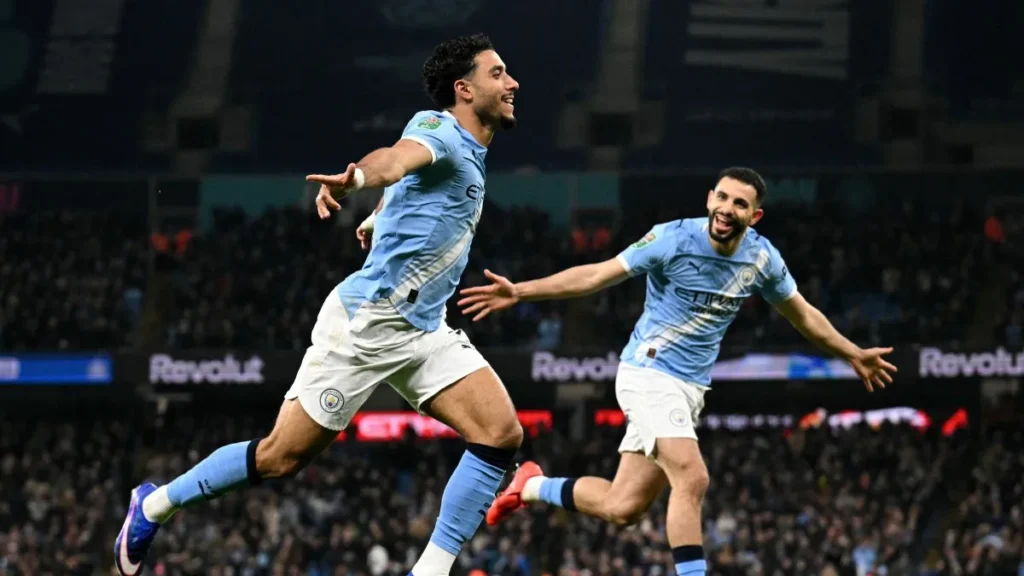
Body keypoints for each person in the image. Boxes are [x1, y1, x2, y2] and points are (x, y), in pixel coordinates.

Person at [115, 33, 521, 576]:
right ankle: (155, 503)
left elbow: (413, 183)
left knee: (500, 435)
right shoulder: (439, 127)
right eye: (498, 74)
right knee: (281, 457)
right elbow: (397, 160)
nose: (512, 83)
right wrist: (357, 178)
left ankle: (431, 570)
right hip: (367, 324)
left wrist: (380, 213)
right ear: (463, 89)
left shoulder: (469, 151)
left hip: (424, 329)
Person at [457, 167, 898, 576]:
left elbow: (803, 315)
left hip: (689, 390)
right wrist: (521, 291)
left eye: (740, 204)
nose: (727, 209)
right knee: (692, 474)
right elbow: (597, 275)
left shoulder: (761, 259)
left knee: (623, 506)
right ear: (709, 199)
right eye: (721, 197)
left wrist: (851, 353)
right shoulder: (671, 239)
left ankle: (531, 486)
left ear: (755, 215)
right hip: (647, 372)